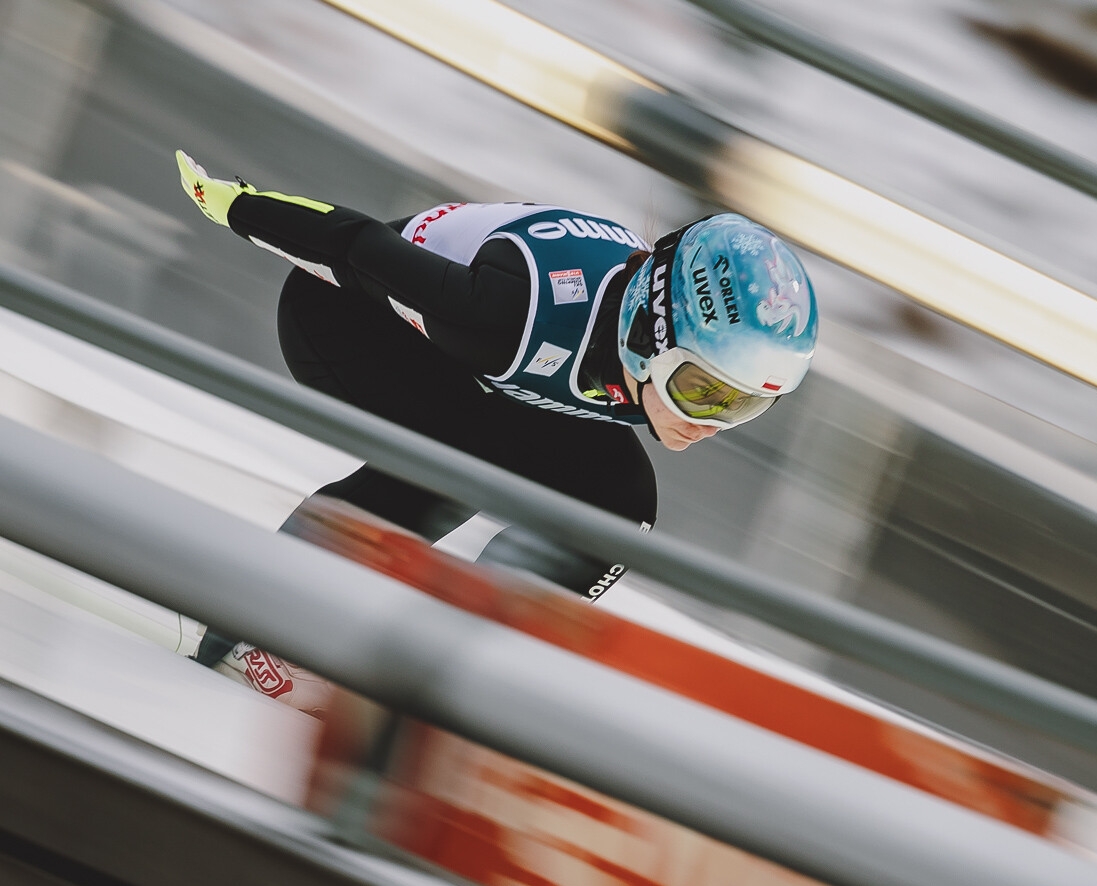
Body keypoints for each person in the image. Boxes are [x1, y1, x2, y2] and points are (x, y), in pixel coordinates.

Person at [174, 150, 818, 707]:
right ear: (650, 335)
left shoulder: (641, 345)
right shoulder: (513, 313)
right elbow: (357, 248)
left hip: (483, 373)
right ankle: (244, 632)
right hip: (346, 316)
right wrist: (235, 204)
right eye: (701, 391)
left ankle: (445, 670)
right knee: (458, 463)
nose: (710, 425)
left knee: (622, 509)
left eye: (740, 407)